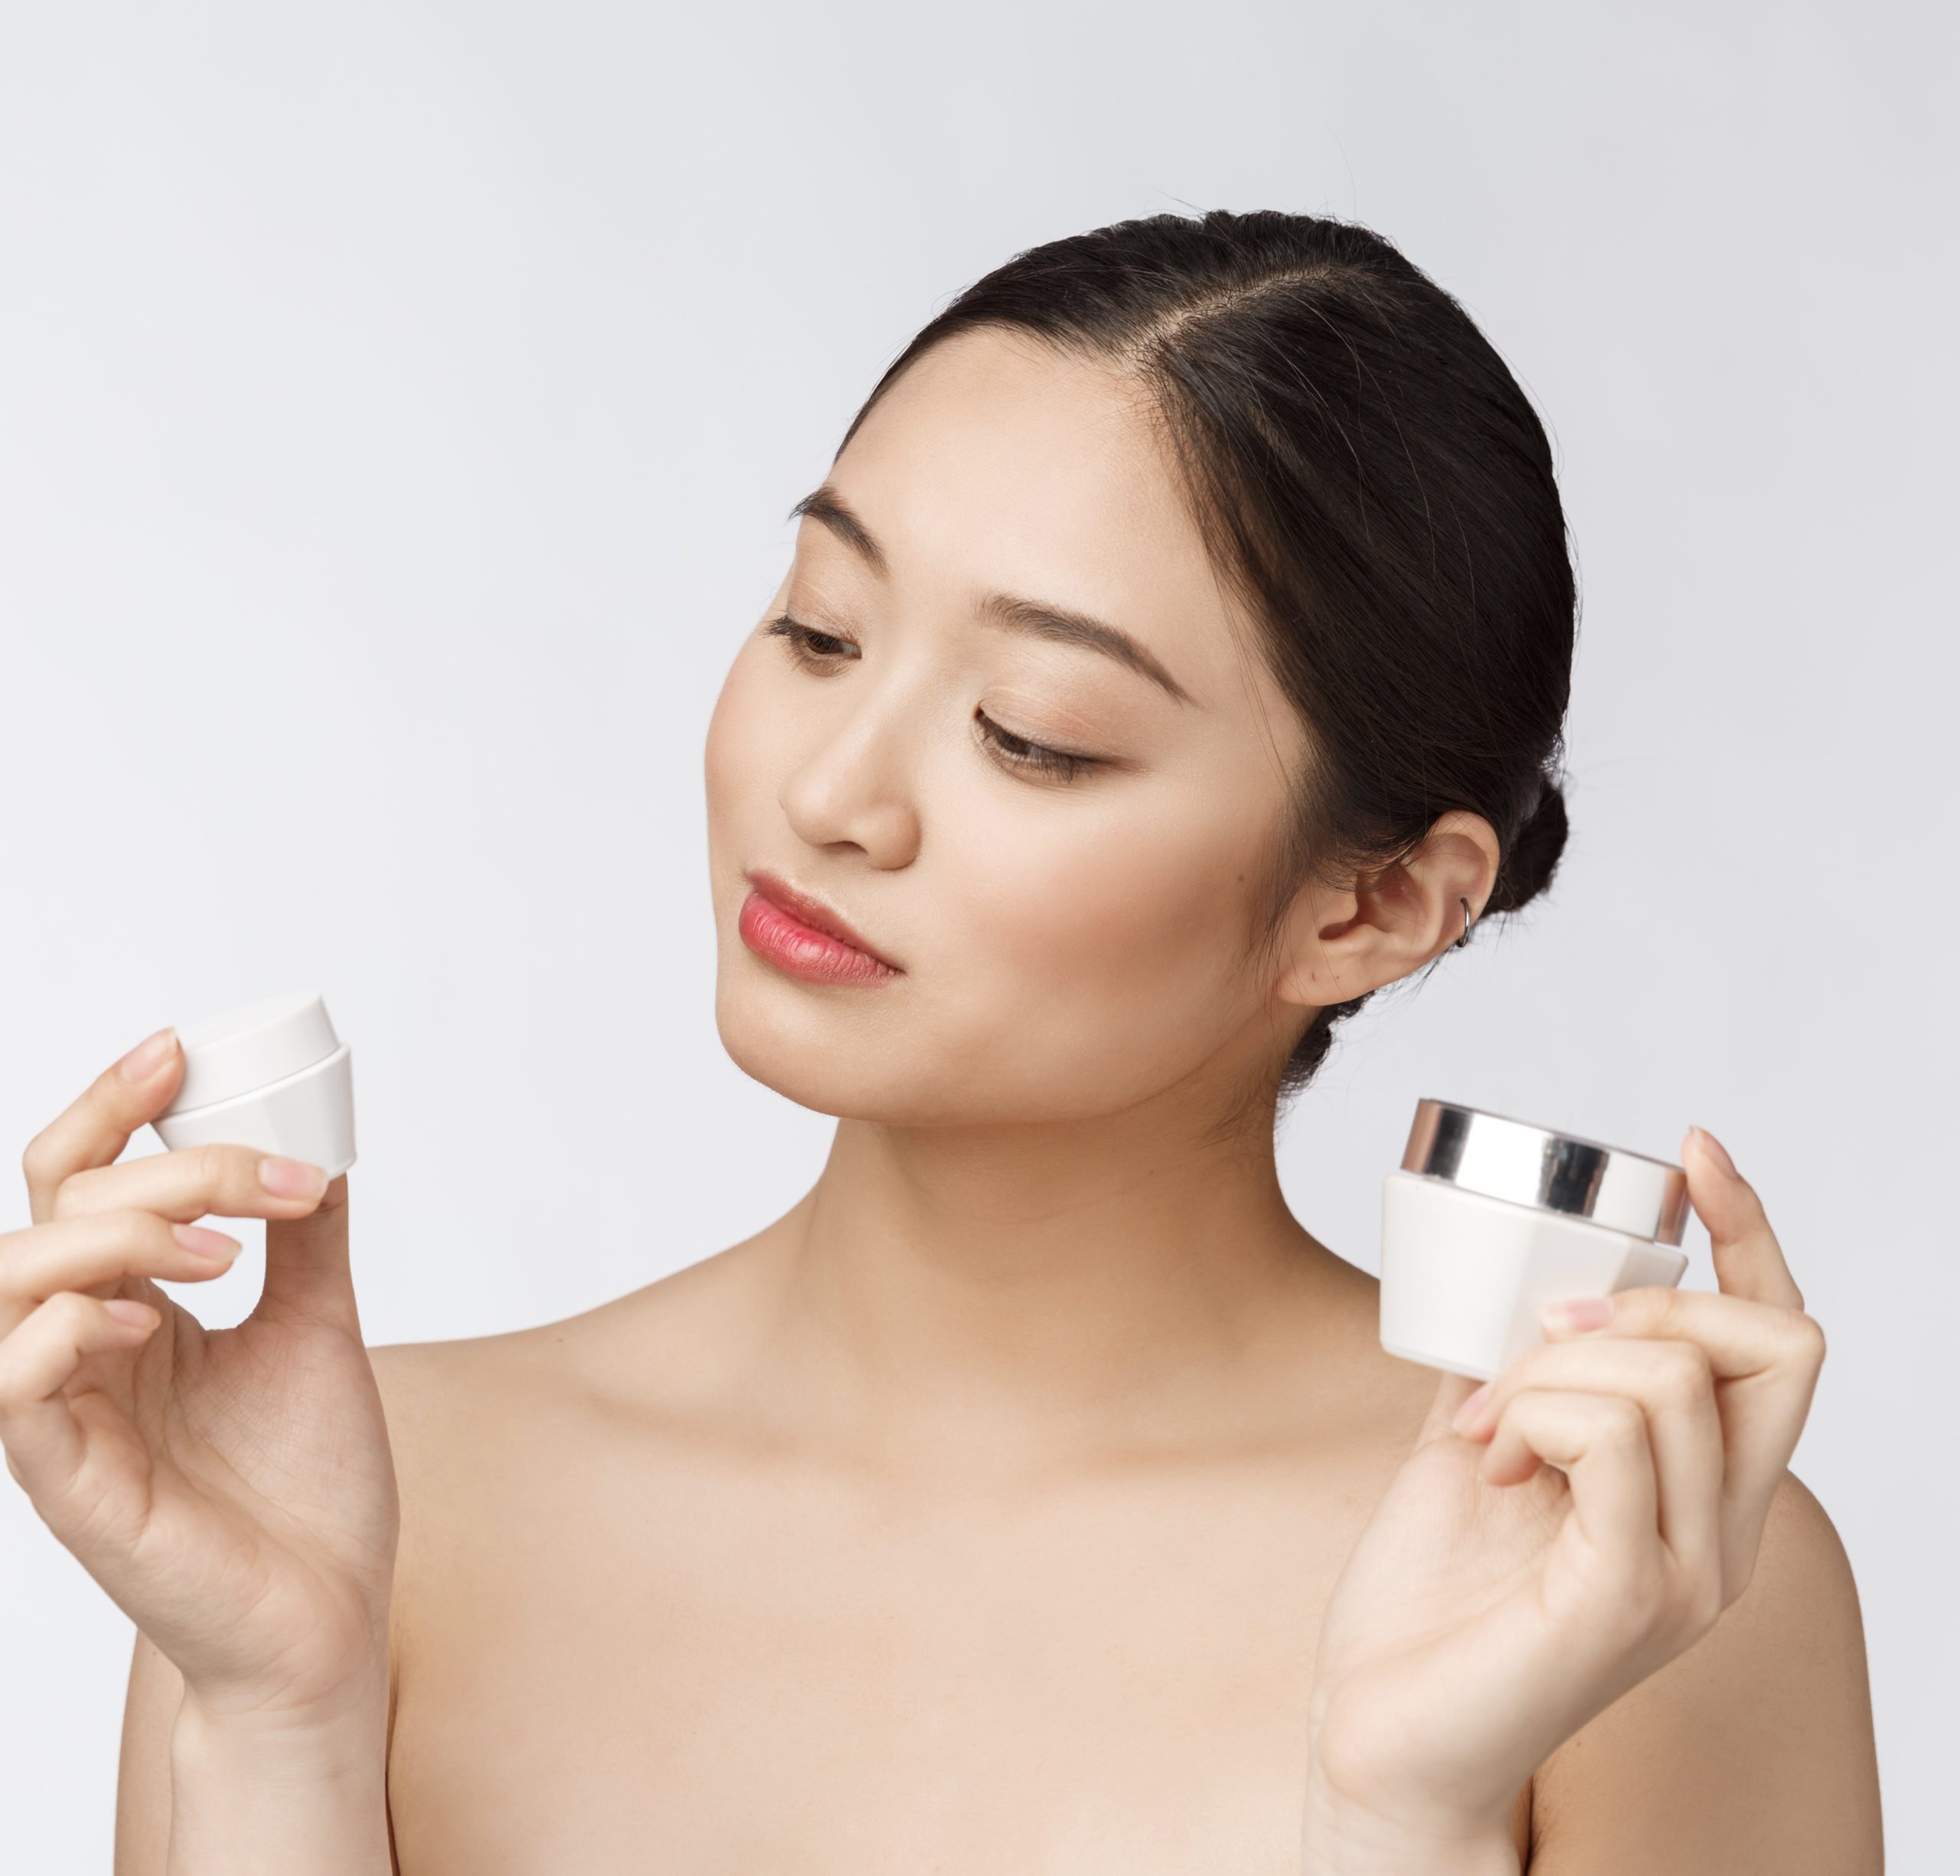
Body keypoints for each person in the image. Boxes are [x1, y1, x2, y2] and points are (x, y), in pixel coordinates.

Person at [5, 210, 1879, 1874]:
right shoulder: (350, 1510)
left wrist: (1404, 1820)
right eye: (818, 631)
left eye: (1032, 733)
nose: (825, 792)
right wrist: (277, 1727)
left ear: (1370, 905)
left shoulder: (1627, 1586)